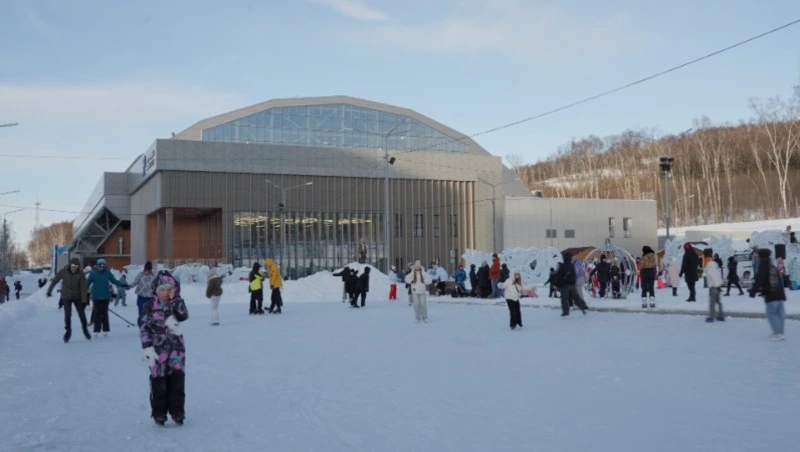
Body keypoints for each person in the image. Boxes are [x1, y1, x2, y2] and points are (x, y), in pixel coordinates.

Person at [140, 273, 189, 426]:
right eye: (163, 289)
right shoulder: (149, 306)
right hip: (157, 349)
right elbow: (144, 328)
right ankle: (159, 412)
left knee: (177, 379)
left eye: (169, 289)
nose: (166, 293)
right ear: (156, 290)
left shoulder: (176, 302)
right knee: (158, 380)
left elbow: (183, 315)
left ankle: (177, 411)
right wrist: (147, 347)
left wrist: (175, 299)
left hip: (176, 348)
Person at [46, 258, 91, 342]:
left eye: (76, 266)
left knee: (82, 315)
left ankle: (85, 330)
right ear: (70, 265)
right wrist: (49, 291)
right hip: (66, 297)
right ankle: (68, 332)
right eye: (73, 265)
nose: (74, 267)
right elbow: (55, 280)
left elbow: (83, 287)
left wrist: (84, 300)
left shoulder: (81, 273)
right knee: (67, 315)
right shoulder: (64, 271)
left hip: (77, 297)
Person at [749, 248, 787, 341]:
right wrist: (783, 295)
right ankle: (780, 332)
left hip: (771, 294)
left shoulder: (763, 266)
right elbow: (779, 281)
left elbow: (759, 280)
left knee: (771, 313)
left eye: (758, 256)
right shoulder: (772, 266)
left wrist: (753, 291)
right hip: (779, 294)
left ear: (761, 257)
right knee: (780, 314)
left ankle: (778, 333)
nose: (757, 257)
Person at [86, 259, 129, 337]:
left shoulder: (107, 273)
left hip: (105, 296)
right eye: (100, 266)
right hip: (96, 296)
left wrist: (123, 285)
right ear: (97, 266)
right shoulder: (93, 273)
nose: (101, 267)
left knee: (104, 313)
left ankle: (105, 329)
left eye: (103, 266)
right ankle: (97, 330)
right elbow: (87, 284)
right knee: (97, 313)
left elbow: (114, 281)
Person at [555, 251, 588, 317]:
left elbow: (558, 276)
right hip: (572, 285)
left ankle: (565, 312)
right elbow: (574, 275)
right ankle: (583, 307)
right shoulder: (572, 265)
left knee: (564, 299)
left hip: (564, 285)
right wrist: (573, 282)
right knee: (576, 297)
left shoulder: (562, 266)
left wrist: (557, 284)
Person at [131, 261, 157, 327]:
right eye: (146, 269)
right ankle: (141, 327)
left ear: (150, 269)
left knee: (150, 313)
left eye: (148, 270)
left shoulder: (154, 275)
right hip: (141, 297)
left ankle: (150, 326)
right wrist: (128, 286)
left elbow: (158, 285)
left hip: (150, 297)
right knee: (141, 312)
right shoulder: (140, 274)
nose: (147, 271)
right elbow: (134, 282)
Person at [703, 248, 724, 322]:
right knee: (718, 301)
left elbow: (714, 276)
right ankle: (721, 316)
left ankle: (711, 317)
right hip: (717, 285)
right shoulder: (713, 263)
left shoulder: (709, 265)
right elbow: (718, 275)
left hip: (714, 286)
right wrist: (719, 285)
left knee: (712, 302)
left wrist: (717, 286)